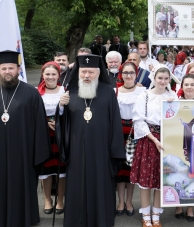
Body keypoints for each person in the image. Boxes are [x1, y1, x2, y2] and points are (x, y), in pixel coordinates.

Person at [56, 54, 126, 226]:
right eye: (83, 72)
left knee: (100, 187)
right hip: (77, 151)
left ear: (98, 72)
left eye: (91, 72)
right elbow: (63, 124)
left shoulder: (108, 92)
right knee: (77, 188)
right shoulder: (70, 91)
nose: (86, 76)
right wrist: (61, 108)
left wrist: (114, 152)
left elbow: (115, 122)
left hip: (101, 152)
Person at [0, 50, 51, 226]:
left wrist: (37, 154)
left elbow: (40, 126)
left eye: (11, 68)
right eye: (4, 68)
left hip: (24, 153)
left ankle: (26, 217)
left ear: (18, 69)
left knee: (22, 186)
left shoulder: (31, 93)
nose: (7, 71)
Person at [130, 65, 177, 227]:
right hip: (149, 140)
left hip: (167, 140)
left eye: (166, 78)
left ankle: (156, 215)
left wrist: (172, 105)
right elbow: (138, 119)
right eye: (160, 78)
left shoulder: (173, 96)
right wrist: (154, 140)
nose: (163, 81)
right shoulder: (145, 96)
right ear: (154, 78)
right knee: (146, 179)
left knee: (160, 179)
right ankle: (146, 216)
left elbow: (178, 119)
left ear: (169, 80)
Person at [115, 62, 147, 217]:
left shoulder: (142, 91)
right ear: (121, 74)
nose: (128, 76)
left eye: (131, 73)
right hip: (118, 131)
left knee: (131, 169)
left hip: (136, 132)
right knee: (120, 169)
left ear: (136, 74)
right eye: (125, 73)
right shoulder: (114, 91)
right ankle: (120, 201)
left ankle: (129, 201)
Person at [37, 62, 66, 215]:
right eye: (47, 74)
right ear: (42, 75)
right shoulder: (37, 92)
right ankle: (48, 199)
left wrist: (59, 121)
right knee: (46, 169)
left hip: (60, 135)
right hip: (43, 134)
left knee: (61, 169)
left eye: (53, 74)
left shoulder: (64, 91)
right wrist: (46, 123)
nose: (50, 77)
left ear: (58, 76)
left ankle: (60, 200)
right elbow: (33, 114)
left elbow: (70, 112)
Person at [174, 74, 194, 222]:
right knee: (180, 171)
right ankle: (178, 205)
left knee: (193, 171)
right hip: (179, 142)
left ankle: (190, 208)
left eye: (192, 84)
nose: (189, 87)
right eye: (186, 84)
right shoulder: (175, 103)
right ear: (182, 86)